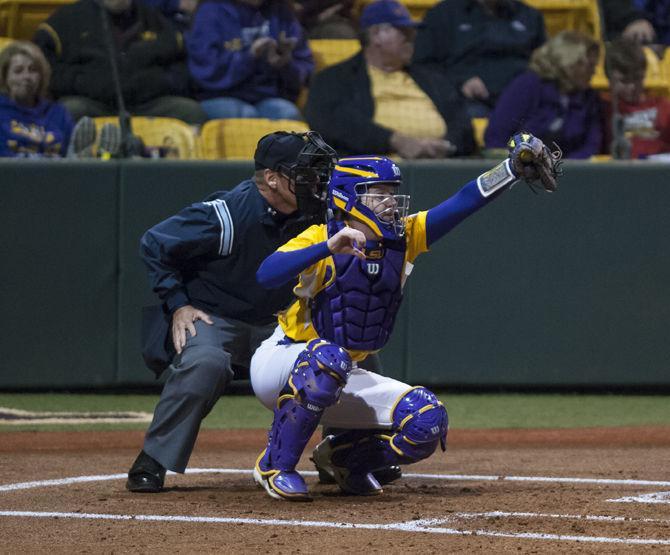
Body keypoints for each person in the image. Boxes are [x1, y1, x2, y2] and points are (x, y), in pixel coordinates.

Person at [250, 134, 561, 501]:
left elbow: (464, 201)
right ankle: (275, 464)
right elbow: (267, 274)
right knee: (328, 359)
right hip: (282, 361)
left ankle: (346, 460)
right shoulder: (322, 236)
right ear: (350, 197)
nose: (390, 202)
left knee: (427, 420)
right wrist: (328, 247)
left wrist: (508, 170)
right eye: (378, 193)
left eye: (390, 192)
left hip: (341, 371)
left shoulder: (404, 237)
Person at [126, 131, 338, 493]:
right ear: (272, 178)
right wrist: (178, 304)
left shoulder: (316, 213)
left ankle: (344, 454)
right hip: (216, 319)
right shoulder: (226, 215)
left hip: (279, 325)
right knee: (205, 362)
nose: (316, 182)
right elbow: (154, 243)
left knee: (345, 350)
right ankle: (154, 459)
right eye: (304, 174)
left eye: (317, 173)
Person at [305, 0, 475, 159]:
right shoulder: (335, 78)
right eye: (404, 32)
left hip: (439, 166)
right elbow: (332, 121)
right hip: (372, 168)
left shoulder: (431, 78)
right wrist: (393, 140)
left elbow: (462, 124)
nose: (412, 38)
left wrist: (445, 145)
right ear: (376, 35)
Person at [33, 0, 206, 125]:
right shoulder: (67, 19)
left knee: (191, 112)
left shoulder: (153, 19)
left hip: (146, 103)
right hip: (92, 103)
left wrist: (160, 82)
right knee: (68, 111)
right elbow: (45, 66)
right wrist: (81, 81)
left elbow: (181, 67)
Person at [413, 0, 546, 118]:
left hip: (522, 101)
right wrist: (459, 81)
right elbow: (423, 65)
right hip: (468, 101)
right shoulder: (443, 14)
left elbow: (545, 64)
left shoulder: (529, 16)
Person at [186, 0, 312, 120]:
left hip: (268, 96)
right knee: (245, 116)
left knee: (288, 114)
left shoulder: (281, 11)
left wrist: (285, 64)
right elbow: (205, 71)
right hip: (219, 96)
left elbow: (304, 68)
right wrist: (249, 57)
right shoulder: (211, 11)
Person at [484, 31, 602, 159]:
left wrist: (562, 167)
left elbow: (590, 145)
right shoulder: (528, 85)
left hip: (565, 170)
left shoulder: (588, 98)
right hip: (520, 167)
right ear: (570, 63)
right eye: (589, 66)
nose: (594, 72)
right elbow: (496, 136)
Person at [0, 40, 73, 157]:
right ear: (5, 77)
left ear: (42, 76)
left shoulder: (59, 113)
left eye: (33, 70)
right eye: (18, 71)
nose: (26, 77)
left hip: (54, 173)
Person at [602, 37, 670, 158]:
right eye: (624, 81)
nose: (632, 87)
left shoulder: (663, 106)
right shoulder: (603, 109)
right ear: (609, 80)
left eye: (637, 78)